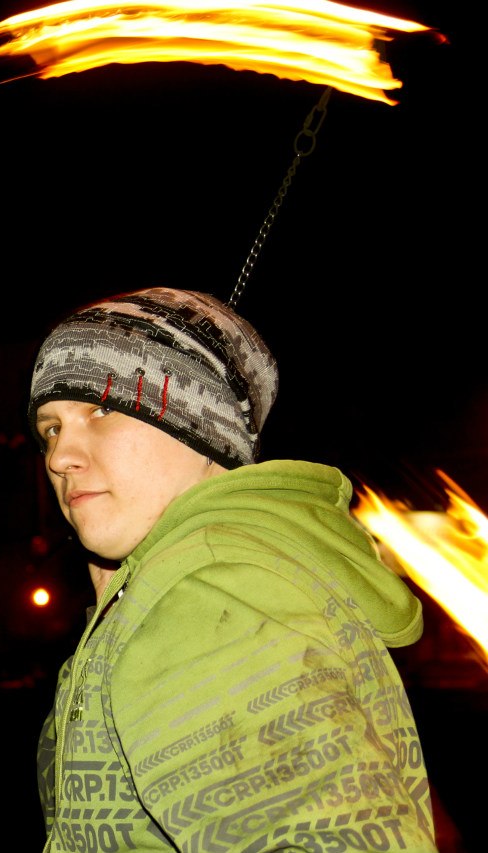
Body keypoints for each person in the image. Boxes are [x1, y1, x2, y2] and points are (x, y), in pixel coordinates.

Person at [26, 287, 436, 852]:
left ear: (200, 427)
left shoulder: (211, 591)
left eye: (102, 409)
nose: (59, 457)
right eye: (51, 428)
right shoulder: (202, 580)